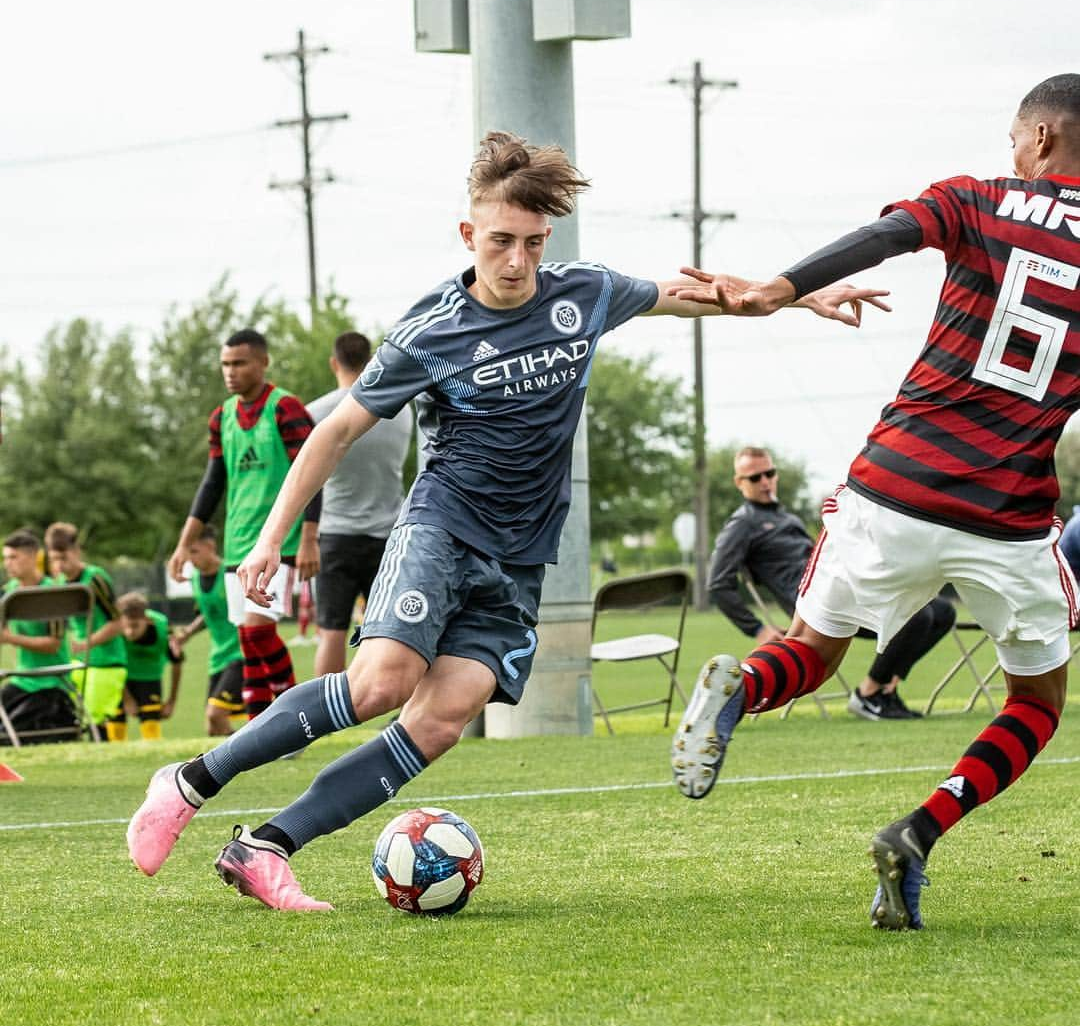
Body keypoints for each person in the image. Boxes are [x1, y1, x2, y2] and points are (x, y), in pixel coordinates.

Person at [127, 129, 884, 911]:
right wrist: (272, 537)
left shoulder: (583, 292)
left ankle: (264, 847)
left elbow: (695, 292)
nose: (517, 260)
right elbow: (337, 429)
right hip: (442, 528)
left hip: (523, 555)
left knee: (445, 716)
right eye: (500, 242)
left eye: (532, 242)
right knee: (382, 682)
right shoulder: (432, 331)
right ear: (469, 236)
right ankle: (187, 781)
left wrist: (796, 293)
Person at [671, 72, 1080, 932]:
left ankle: (740, 688)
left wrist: (780, 288)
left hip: (897, 481)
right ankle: (919, 832)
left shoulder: (977, 197)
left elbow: (888, 234)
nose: (1010, 151)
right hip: (1006, 515)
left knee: (814, 653)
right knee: (1037, 704)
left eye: (1015, 138)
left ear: (1040, 139)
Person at [709, 445, 957, 718]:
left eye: (769, 473)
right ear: (739, 483)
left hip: (839, 581)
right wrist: (756, 629)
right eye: (755, 478)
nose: (765, 481)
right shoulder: (741, 524)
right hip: (815, 605)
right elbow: (718, 583)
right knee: (917, 616)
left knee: (943, 611)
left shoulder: (786, 517)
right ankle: (869, 694)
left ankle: (886, 689)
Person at [166, 328, 320, 721]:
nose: (230, 372)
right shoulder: (221, 417)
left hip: (278, 542)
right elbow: (212, 482)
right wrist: (185, 542)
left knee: (257, 632)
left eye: (239, 363)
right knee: (247, 643)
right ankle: (258, 725)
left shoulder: (285, 408)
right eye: (225, 364)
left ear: (263, 363)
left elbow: (314, 471)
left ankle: (293, 719)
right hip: (237, 544)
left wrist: (309, 537)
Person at [306, 331, 412, 677]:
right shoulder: (400, 411)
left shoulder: (316, 413)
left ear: (334, 363)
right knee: (389, 632)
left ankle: (326, 718)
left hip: (336, 534)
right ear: (370, 362)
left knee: (332, 630)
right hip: (388, 534)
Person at [44, 522, 126, 740]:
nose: (59, 565)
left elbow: (118, 624)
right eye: (54, 559)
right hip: (77, 662)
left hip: (107, 662)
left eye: (64, 558)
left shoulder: (95, 578)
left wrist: (87, 642)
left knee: (96, 723)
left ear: (77, 551)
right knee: (73, 719)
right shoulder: (59, 582)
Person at [0, 528, 77, 743]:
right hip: (22, 678)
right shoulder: (10, 591)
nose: (8, 563)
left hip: (52, 679)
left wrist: (10, 638)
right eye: (5, 558)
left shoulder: (52, 592)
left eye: (14, 557)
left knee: (6, 736)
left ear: (34, 556)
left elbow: (53, 645)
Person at [171, 525, 245, 736]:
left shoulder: (231, 573)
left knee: (216, 714)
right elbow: (208, 613)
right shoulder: (195, 579)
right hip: (217, 657)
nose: (189, 558)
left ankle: (251, 751)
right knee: (212, 728)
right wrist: (186, 635)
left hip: (240, 654)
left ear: (210, 546)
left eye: (193, 551)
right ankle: (244, 754)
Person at [116, 592, 184, 740]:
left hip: (150, 679)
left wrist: (171, 701)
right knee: (115, 727)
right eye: (126, 626)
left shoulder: (163, 627)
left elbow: (177, 663)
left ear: (146, 620)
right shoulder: (114, 628)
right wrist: (127, 699)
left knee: (151, 731)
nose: (130, 632)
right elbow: (112, 666)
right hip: (119, 680)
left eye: (135, 626)